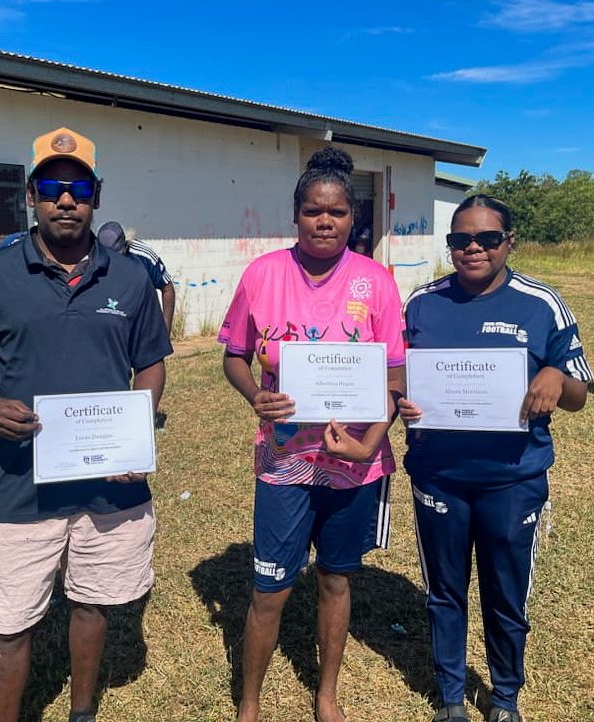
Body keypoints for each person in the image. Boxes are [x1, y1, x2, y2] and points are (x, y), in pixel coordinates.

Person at [0, 127, 172, 722]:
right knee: (12, 621)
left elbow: (149, 362)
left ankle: (82, 711)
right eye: (51, 186)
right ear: (31, 194)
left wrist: (136, 435)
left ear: (96, 194)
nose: (65, 200)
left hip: (107, 482)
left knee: (93, 604)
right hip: (21, 483)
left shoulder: (130, 278)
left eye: (78, 188)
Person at [218, 147, 406, 722]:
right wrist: (256, 396)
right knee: (269, 589)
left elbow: (395, 372)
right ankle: (249, 700)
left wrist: (373, 439)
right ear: (295, 214)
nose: (325, 222)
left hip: (354, 462)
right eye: (313, 211)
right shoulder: (262, 275)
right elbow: (233, 354)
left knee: (335, 580)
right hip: (285, 460)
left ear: (354, 217)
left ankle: (326, 694)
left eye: (338, 212)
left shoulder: (376, 282)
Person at [398, 195, 593, 722]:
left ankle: (504, 697)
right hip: (439, 475)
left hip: (513, 477)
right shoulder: (421, 303)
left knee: (506, 595)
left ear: (510, 242)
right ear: (450, 246)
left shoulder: (540, 303)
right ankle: (450, 697)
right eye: (461, 240)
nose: (473, 249)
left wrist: (556, 376)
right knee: (445, 590)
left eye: (487, 238)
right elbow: (399, 378)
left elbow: (578, 395)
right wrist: (402, 400)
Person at [97, 220, 176, 335]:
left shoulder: (143, 255)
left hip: (144, 329)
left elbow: (167, 288)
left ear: (125, 245)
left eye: (117, 255)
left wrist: (165, 331)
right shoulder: (95, 260)